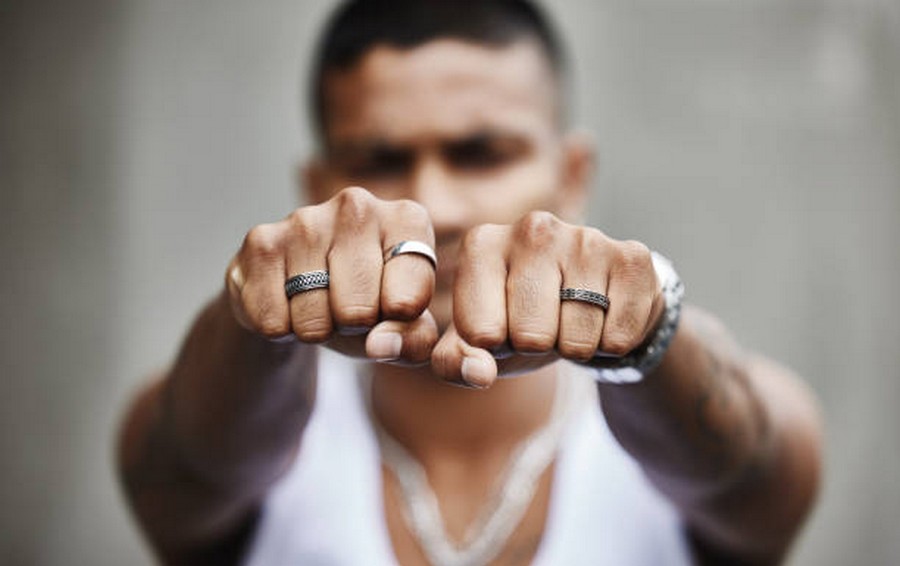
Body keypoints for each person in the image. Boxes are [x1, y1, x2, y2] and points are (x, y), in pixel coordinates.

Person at [116, 1, 823, 564]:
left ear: (571, 176)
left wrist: (647, 333)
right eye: (380, 159)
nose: (436, 208)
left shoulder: (666, 427)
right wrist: (254, 317)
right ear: (320, 186)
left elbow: (753, 467)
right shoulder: (243, 417)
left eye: (481, 154)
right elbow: (190, 464)